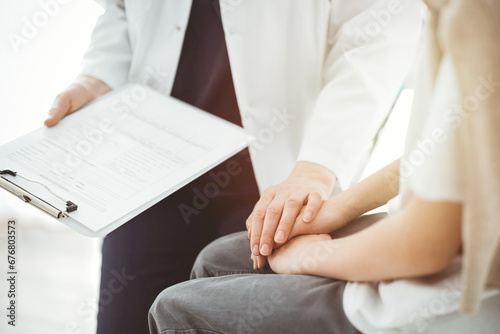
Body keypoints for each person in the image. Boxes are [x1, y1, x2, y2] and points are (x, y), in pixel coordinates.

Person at [44, 1, 421, 333]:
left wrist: (317, 166)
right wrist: (99, 77)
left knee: (216, 293)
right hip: (154, 166)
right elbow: (120, 9)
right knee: (131, 313)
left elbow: (376, 35)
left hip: (274, 174)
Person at [148, 0, 500, 333]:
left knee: (177, 309)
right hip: (442, 234)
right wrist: (339, 208)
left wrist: (313, 256)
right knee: (219, 256)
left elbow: (424, 245)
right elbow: (448, 153)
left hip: (453, 293)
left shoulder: (476, 25)